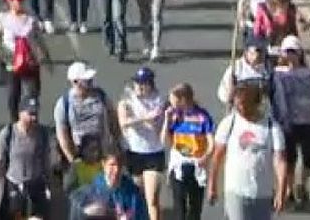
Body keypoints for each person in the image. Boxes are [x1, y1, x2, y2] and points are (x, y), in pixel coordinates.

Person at [208, 84, 286, 220]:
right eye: (237, 106)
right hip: (235, 189)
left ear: (257, 104)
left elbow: (279, 162)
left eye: (244, 106)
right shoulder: (229, 123)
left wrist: (281, 192)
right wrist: (212, 185)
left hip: (262, 192)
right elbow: (217, 156)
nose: (240, 109)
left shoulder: (271, 127)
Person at [269, 36, 310, 207]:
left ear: (300, 53)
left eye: (294, 51)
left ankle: (303, 185)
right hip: (287, 122)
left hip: (309, 120)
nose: (290, 55)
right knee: (289, 159)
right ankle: (289, 189)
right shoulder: (277, 73)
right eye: (287, 51)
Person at [0, 98, 52, 220]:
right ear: (20, 114)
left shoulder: (42, 133)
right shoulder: (8, 133)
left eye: (36, 114)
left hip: (35, 185)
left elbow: (46, 161)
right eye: (30, 114)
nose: (34, 118)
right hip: (14, 185)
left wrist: (48, 186)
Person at [118, 67, 167, 220]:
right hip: (134, 152)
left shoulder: (159, 100)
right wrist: (143, 118)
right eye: (137, 83)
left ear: (150, 84)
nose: (139, 86)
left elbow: (155, 124)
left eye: (143, 83)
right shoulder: (127, 100)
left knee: (152, 198)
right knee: (137, 195)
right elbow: (123, 122)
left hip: (154, 152)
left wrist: (146, 119)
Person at [0, 0, 49, 122]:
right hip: (11, 63)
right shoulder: (2, 19)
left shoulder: (31, 20)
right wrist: (0, 53)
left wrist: (45, 56)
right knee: (13, 95)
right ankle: (15, 123)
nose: (21, 2)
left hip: (29, 62)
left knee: (32, 94)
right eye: (17, 0)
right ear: (10, 1)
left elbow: (39, 40)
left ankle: (32, 120)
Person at [163, 83, 215, 220]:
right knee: (179, 209)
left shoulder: (202, 116)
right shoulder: (174, 116)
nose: (170, 103)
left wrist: (206, 156)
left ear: (183, 100)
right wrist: (167, 121)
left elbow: (211, 142)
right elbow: (165, 140)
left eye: (173, 100)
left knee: (195, 209)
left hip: (196, 164)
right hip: (179, 164)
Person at [54, 62, 120, 164]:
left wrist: (116, 143)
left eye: (90, 80)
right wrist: (72, 159)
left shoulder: (101, 96)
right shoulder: (64, 103)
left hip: (103, 154)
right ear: (75, 82)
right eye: (86, 80)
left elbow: (113, 119)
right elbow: (62, 135)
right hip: (79, 156)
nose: (90, 82)